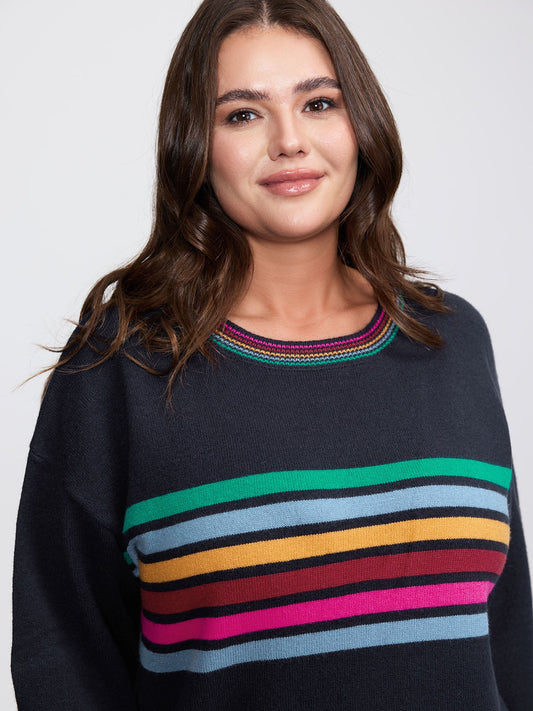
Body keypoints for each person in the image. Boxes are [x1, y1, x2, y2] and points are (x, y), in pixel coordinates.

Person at [11, 0, 533, 709]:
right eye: (242, 114)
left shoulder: (451, 341)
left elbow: (508, 637)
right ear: (194, 146)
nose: (289, 141)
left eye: (318, 103)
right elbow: (64, 658)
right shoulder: (121, 368)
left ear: (361, 124)